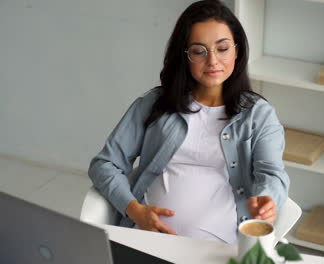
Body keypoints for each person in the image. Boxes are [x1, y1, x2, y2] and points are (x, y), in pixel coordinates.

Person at [88, 0, 289, 244]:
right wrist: (134, 210)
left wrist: (268, 198)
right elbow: (105, 164)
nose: (213, 61)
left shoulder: (259, 114)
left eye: (222, 48)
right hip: (146, 240)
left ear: (237, 50)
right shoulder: (155, 104)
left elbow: (272, 175)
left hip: (221, 250)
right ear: (185, 56)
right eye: (199, 51)